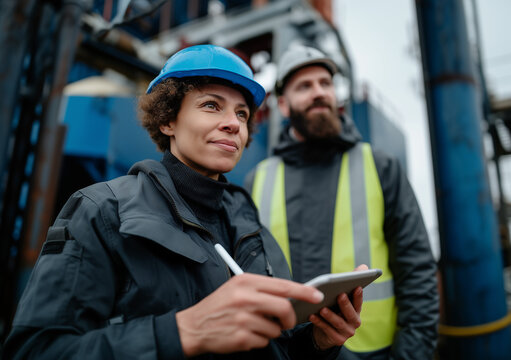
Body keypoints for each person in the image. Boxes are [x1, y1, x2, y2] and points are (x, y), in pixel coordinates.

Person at [3, 44, 366, 359]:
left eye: (241, 113)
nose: (233, 124)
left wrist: (318, 343)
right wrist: (182, 332)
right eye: (212, 105)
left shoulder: (250, 226)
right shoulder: (102, 210)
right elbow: (36, 350)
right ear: (167, 121)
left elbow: (276, 346)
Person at [245, 45, 439, 360]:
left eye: (325, 83)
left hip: (373, 353)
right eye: (305, 86)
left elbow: (417, 271)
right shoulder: (258, 180)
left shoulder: (379, 165)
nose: (319, 92)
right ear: (283, 104)